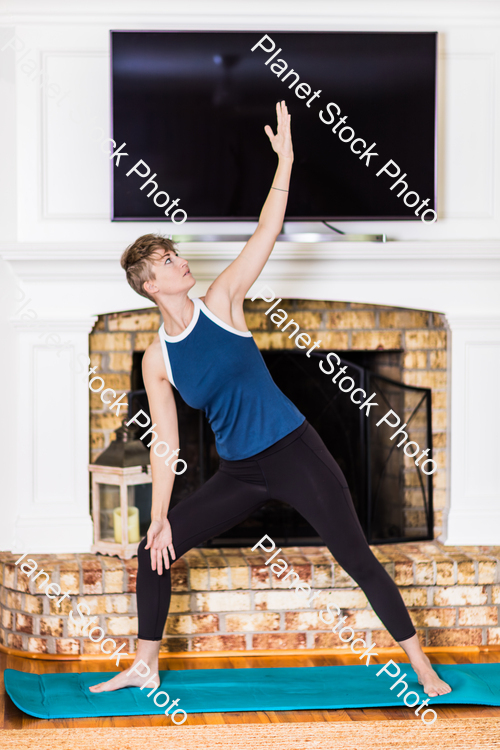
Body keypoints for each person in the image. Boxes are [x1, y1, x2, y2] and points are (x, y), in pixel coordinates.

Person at [90, 101, 451, 699]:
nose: (180, 261)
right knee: (156, 550)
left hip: (295, 451)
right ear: (150, 286)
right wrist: (157, 518)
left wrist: (284, 162)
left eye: (174, 253)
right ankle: (143, 665)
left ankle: (422, 666)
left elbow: (265, 232)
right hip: (241, 472)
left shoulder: (223, 300)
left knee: (357, 558)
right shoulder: (159, 358)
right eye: (166, 262)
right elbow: (168, 445)